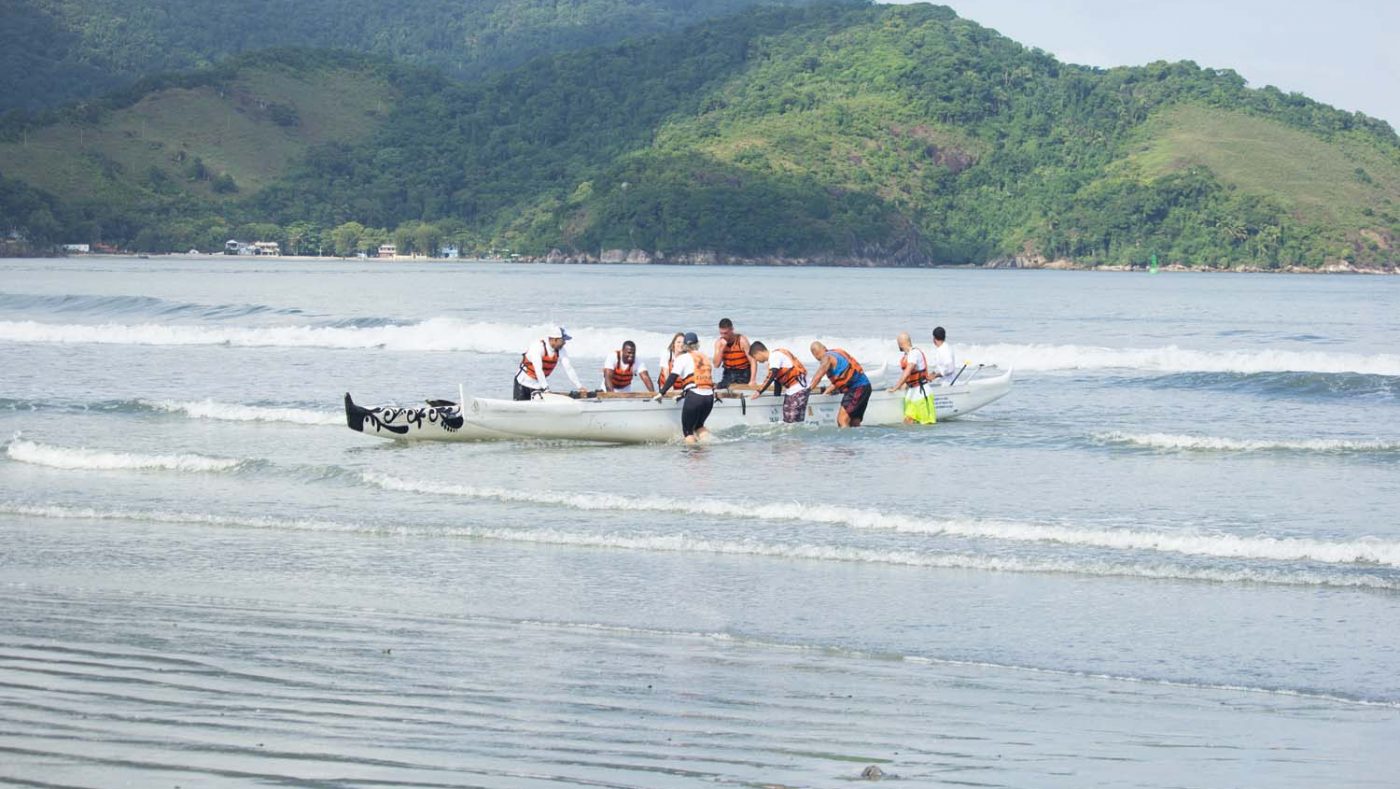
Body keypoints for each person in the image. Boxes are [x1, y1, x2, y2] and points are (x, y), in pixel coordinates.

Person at [655, 331, 715, 444]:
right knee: (699, 426)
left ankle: (691, 458)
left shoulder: (683, 358)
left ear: (685, 346)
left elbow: (672, 377)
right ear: (698, 344)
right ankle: (707, 449)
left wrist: (661, 393)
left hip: (695, 397)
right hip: (709, 398)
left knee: (688, 431)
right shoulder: (706, 357)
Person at [807, 342, 871, 428]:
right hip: (865, 387)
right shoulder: (836, 354)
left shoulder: (826, 358)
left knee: (842, 420)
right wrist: (826, 393)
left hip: (857, 388)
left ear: (815, 355)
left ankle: (844, 441)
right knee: (854, 423)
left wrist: (807, 390)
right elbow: (840, 380)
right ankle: (857, 441)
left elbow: (819, 375)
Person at [514, 327, 586, 401]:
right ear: (554, 339)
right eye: (563, 340)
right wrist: (546, 388)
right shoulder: (538, 347)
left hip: (538, 385)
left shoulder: (560, 350)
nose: (565, 343)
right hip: (523, 382)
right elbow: (538, 369)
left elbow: (569, 368)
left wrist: (579, 386)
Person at [748, 341, 809, 423]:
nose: (757, 361)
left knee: (791, 423)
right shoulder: (775, 357)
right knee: (793, 422)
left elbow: (772, 376)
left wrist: (759, 392)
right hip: (798, 389)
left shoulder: (774, 356)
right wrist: (776, 398)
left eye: (755, 358)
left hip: (797, 389)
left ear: (758, 353)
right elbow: (777, 380)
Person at [889, 332, 936, 425]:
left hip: (921, 393)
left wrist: (896, 387)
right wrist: (900, 389)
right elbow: (908, 378)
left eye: (898, 343)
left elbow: (907, 372)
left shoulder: (914, 353)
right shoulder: (906, 356)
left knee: (926, 425)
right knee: (907, 423)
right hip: (911, 394)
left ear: (901, 343)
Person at [712, 318, 755, 390]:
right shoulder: (719, 343)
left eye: (725, 333)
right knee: (718, 388)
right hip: (728, 373)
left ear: (732, 329)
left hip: (744, 373)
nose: (723, 336)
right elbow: (716, 365)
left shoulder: (742, 341)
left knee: (740, 390)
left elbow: (753, 361)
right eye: (721, 333)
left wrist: (752, 380)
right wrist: (722, 348)